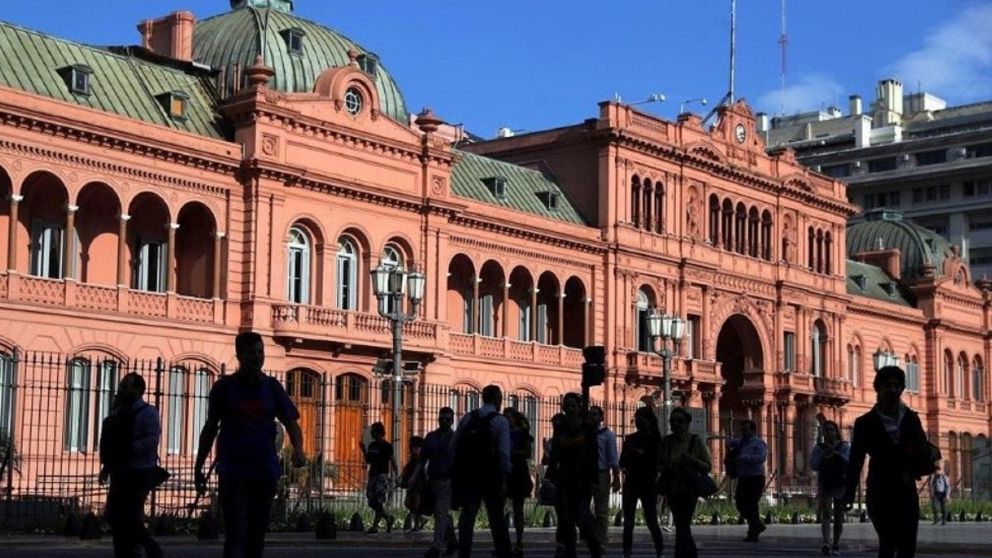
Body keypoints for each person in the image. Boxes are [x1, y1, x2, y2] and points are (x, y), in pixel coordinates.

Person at [194, 331, 305, 558]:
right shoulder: (224, 388)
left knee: (256, 534)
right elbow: (210, 427)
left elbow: (291, 423)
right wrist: (199, 465)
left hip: (264, 471)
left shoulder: (272, 387)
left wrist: (299, 449)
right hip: (233, 470)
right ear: (239, 355)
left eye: (260, 352)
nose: (257, 357)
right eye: (251, 352)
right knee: (235, 533)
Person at [843, 366, 937, 558]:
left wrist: (916, 467)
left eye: (897, 385)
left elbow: (921, 449)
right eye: (887, 385)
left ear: (902, 388)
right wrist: (849, 493)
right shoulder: (864, 423)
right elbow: (856, 459)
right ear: (878, 388)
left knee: (907, 545)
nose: (892, 389)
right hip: (880, 490)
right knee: (887, 542)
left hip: (905, 490)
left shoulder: (911, 419)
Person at [98, 372, 163, 558]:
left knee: (130, 514)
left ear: (139, 390)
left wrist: (129, 447)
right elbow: (111, 442)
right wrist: (107, 468)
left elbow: (151, 440)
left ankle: (147, 547)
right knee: (115, 515)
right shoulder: (118, 412)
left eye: (127, 386)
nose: (122, 390)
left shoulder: (148, 412)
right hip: (121, 471)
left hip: (140, 471)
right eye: (122, 386)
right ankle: (127, 551)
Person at [451, 384, 513, 558]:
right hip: (491, 474)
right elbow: (503, 452)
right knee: (496, 517)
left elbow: (454, 444)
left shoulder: (469, 417)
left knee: (468, 515)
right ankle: (503, 551)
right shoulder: (500, 421)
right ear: (497, 398)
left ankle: (464, 552)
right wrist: (504, 476)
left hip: (469, 474)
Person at [545, 392, 601, 558]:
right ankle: (570, 552)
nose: (569, 409)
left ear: (579, 408)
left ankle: (594, 548)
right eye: (567, 405)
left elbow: (593, 456)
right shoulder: (560, 428)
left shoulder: (587, 428)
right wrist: (549, 476)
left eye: (573, 405)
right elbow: (555, 454)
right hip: (564, 479)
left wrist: (594, 480)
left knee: (582, 518)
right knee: (566, 519)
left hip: (583, 480)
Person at [657, 406, 712, 558]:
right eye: (673, 421)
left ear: (687, 423)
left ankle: (682, 554)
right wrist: (666, 466)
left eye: (679, 421)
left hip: (689, 488)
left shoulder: (696, 441)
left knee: (683, 523)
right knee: (682, 524)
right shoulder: (666, 442)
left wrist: (691, 460)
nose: (676, 424)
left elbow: (707, 466)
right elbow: (658, 464)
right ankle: (688, 554)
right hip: (673, 487)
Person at [619, 406, 663, 558]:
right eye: (637, 418)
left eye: (641, 418)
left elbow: (657, 461)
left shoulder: (656, 439)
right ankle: (626, 552)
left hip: (648, 481)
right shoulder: (630, 439)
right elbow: (622, 461)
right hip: (632, 481)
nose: (638, 421)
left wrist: (642, 454)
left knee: (651, 520)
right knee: (628, 522)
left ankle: (659, 550)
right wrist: (631, 455)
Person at [423, 407, 459, 558]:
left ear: (452, 421)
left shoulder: (456, 438)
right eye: (442, 418)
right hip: (433, 479)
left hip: (447, 481)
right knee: (441, 513)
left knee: (440, 512)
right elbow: (423, 459)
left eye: (447, 419)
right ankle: (452, 541)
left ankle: (436, 547)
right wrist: (415, 477)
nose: (444, 421)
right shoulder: (431, 437)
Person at [811, 420, 850, 556]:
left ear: (836, 432)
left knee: (838, 514)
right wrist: (823, 456)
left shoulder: (844, 446)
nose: (829, 432)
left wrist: (836, 454)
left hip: (839, 481)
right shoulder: (819, 448)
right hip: (825, 481)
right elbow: (813, 465)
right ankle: (826, 542)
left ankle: (836, 542)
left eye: (831, 429)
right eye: (826, 429)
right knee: (826, 513)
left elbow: (848, 461)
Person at [728, 419, 767, 542]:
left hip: (755, 477)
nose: (743, 432)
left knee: (751, 504)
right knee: (740, 502)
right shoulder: (742, 443)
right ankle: (757, 524)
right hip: (744, 477)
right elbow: (731, 442)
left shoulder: (758, 443)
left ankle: (753, 531)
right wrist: (728, 441)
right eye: (742, 430)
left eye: (745, 430)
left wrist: (744, 458)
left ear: (752, 430)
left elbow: (761, 457)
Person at [588, 405, 621, 547]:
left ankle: (601, 537)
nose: (593, 417)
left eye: (595, 414)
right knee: (583, 506)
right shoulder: (586, 434)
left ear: (601, 417)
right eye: (591, 414)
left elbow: (613, 457)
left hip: (602, 473)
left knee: (601, 509)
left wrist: (616, 477)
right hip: (586, 474)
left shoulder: (608, 435)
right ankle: (589, 534)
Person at [504, 407, 534, 557]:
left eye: (508, 416)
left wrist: (511, 452)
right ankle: (504, 542)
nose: (506, 419)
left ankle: (519, 541)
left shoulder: (523, 435)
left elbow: (528, 453)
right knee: (501, 509)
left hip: (518, 472)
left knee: (518, 509)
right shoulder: (502, 434)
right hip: (505, 472)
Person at [363, 421, 398, 534]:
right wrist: (364, 450)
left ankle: (375, 526)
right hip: (372, 475)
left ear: (378, 432)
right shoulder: (372, 445)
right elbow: (368, 460)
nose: (371, 433)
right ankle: (388, 518)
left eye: (373, 431)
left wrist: (396, 474)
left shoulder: (387, 446)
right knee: (371, 501)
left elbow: (392, 461)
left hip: (381, 476)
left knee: (378, 501)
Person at [400, 435, 428, 532]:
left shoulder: (421, 459)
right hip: (411, 484)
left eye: (415, 447)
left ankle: (416, 525)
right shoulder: (412, 458)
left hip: (419, 484)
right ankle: (421, 519)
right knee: (408, 503)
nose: (412, 449)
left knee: (417, 505)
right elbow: (407, 469)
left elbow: (422, 472)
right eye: (412, 447)